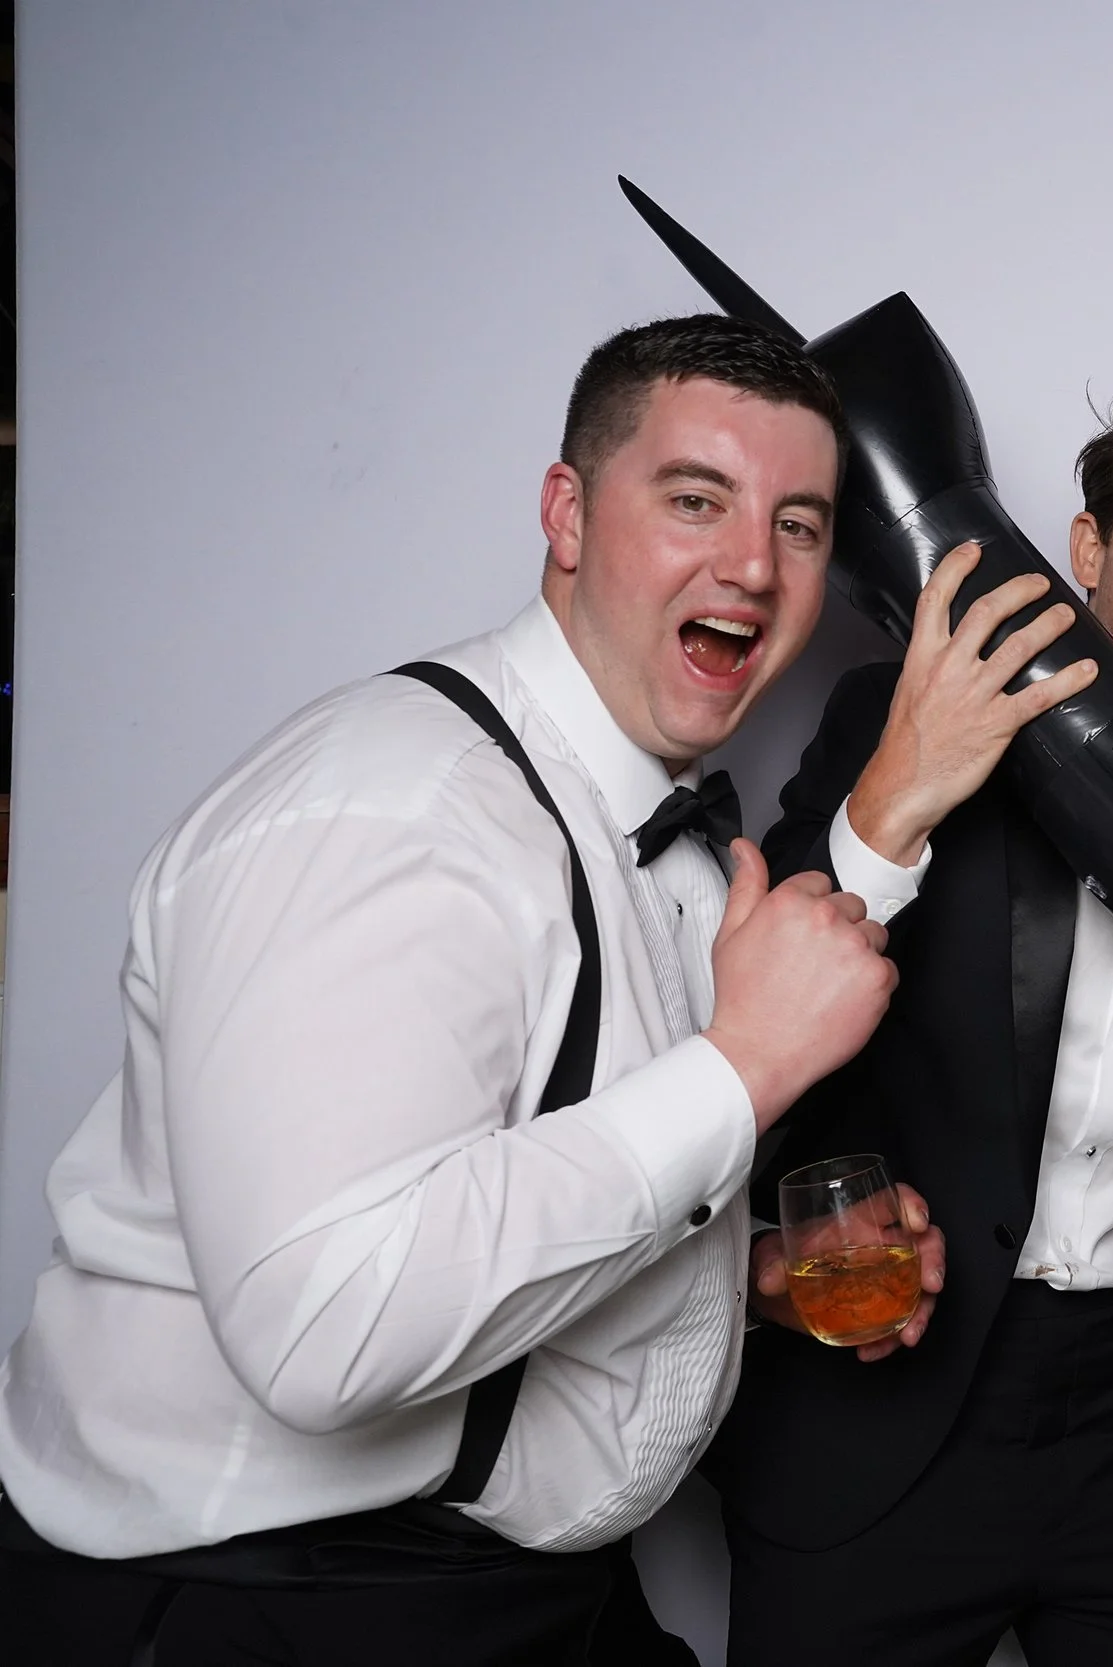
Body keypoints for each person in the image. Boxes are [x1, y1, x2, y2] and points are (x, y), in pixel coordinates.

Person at [0, 314, 909, 1665]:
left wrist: (734, 1277)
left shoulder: (650, 827)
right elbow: (329, 1320)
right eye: (695, 500)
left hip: (506, 1583)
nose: (753, 566)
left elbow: (502, 1179)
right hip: (262, 1588)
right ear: (566, 511)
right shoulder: (390, 811)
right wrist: (741, 1071)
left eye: (799, 524)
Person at [705, 374, 1113, 1667]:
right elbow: (750, 978)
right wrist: (905, 785)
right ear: (1087, 550)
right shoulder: (899, 712)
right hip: (882, 1397)